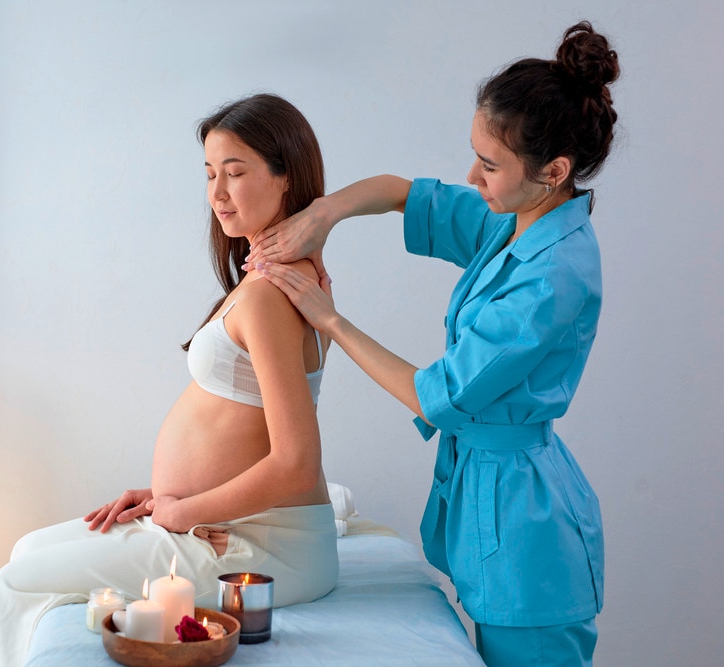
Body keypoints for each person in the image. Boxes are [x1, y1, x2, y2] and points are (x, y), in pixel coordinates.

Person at [248, 21, 617, 667]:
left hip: (531, 537)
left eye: (491, 164)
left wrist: (331, 320)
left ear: (554, 171)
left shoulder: (555, 273)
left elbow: (437, 395)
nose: (472, 175)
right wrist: (325, 212)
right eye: (475, 152)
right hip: (492, 503)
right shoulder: (519, 220)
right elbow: (404, 193)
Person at [0, 93, 337, 666]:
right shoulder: (277, 281)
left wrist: (185, 513)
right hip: (234, 523)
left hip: (261, 547)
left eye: (235, 174)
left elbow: (296, 462)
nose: (216, 193)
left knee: (17, 580)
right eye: (210, 174)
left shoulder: (270, 295)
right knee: (25, 550)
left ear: (286, 179)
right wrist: (176, 496)